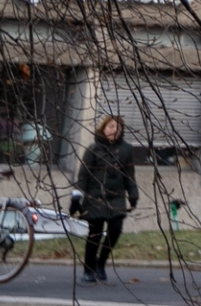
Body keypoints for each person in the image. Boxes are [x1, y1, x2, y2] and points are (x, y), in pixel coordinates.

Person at [72, 115, 137, 282]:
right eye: (111, 126)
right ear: (103, 128)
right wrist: (76, 198)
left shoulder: (126, 150)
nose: (114, 130)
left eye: (117, 128)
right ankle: (88, 269)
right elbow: (83, 176)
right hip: (95, 198)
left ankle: (101, 263)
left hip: (116, 198)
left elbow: (129, 175)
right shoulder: (93, 149)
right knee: (95, 233)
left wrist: (133, 195)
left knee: (115, 230)